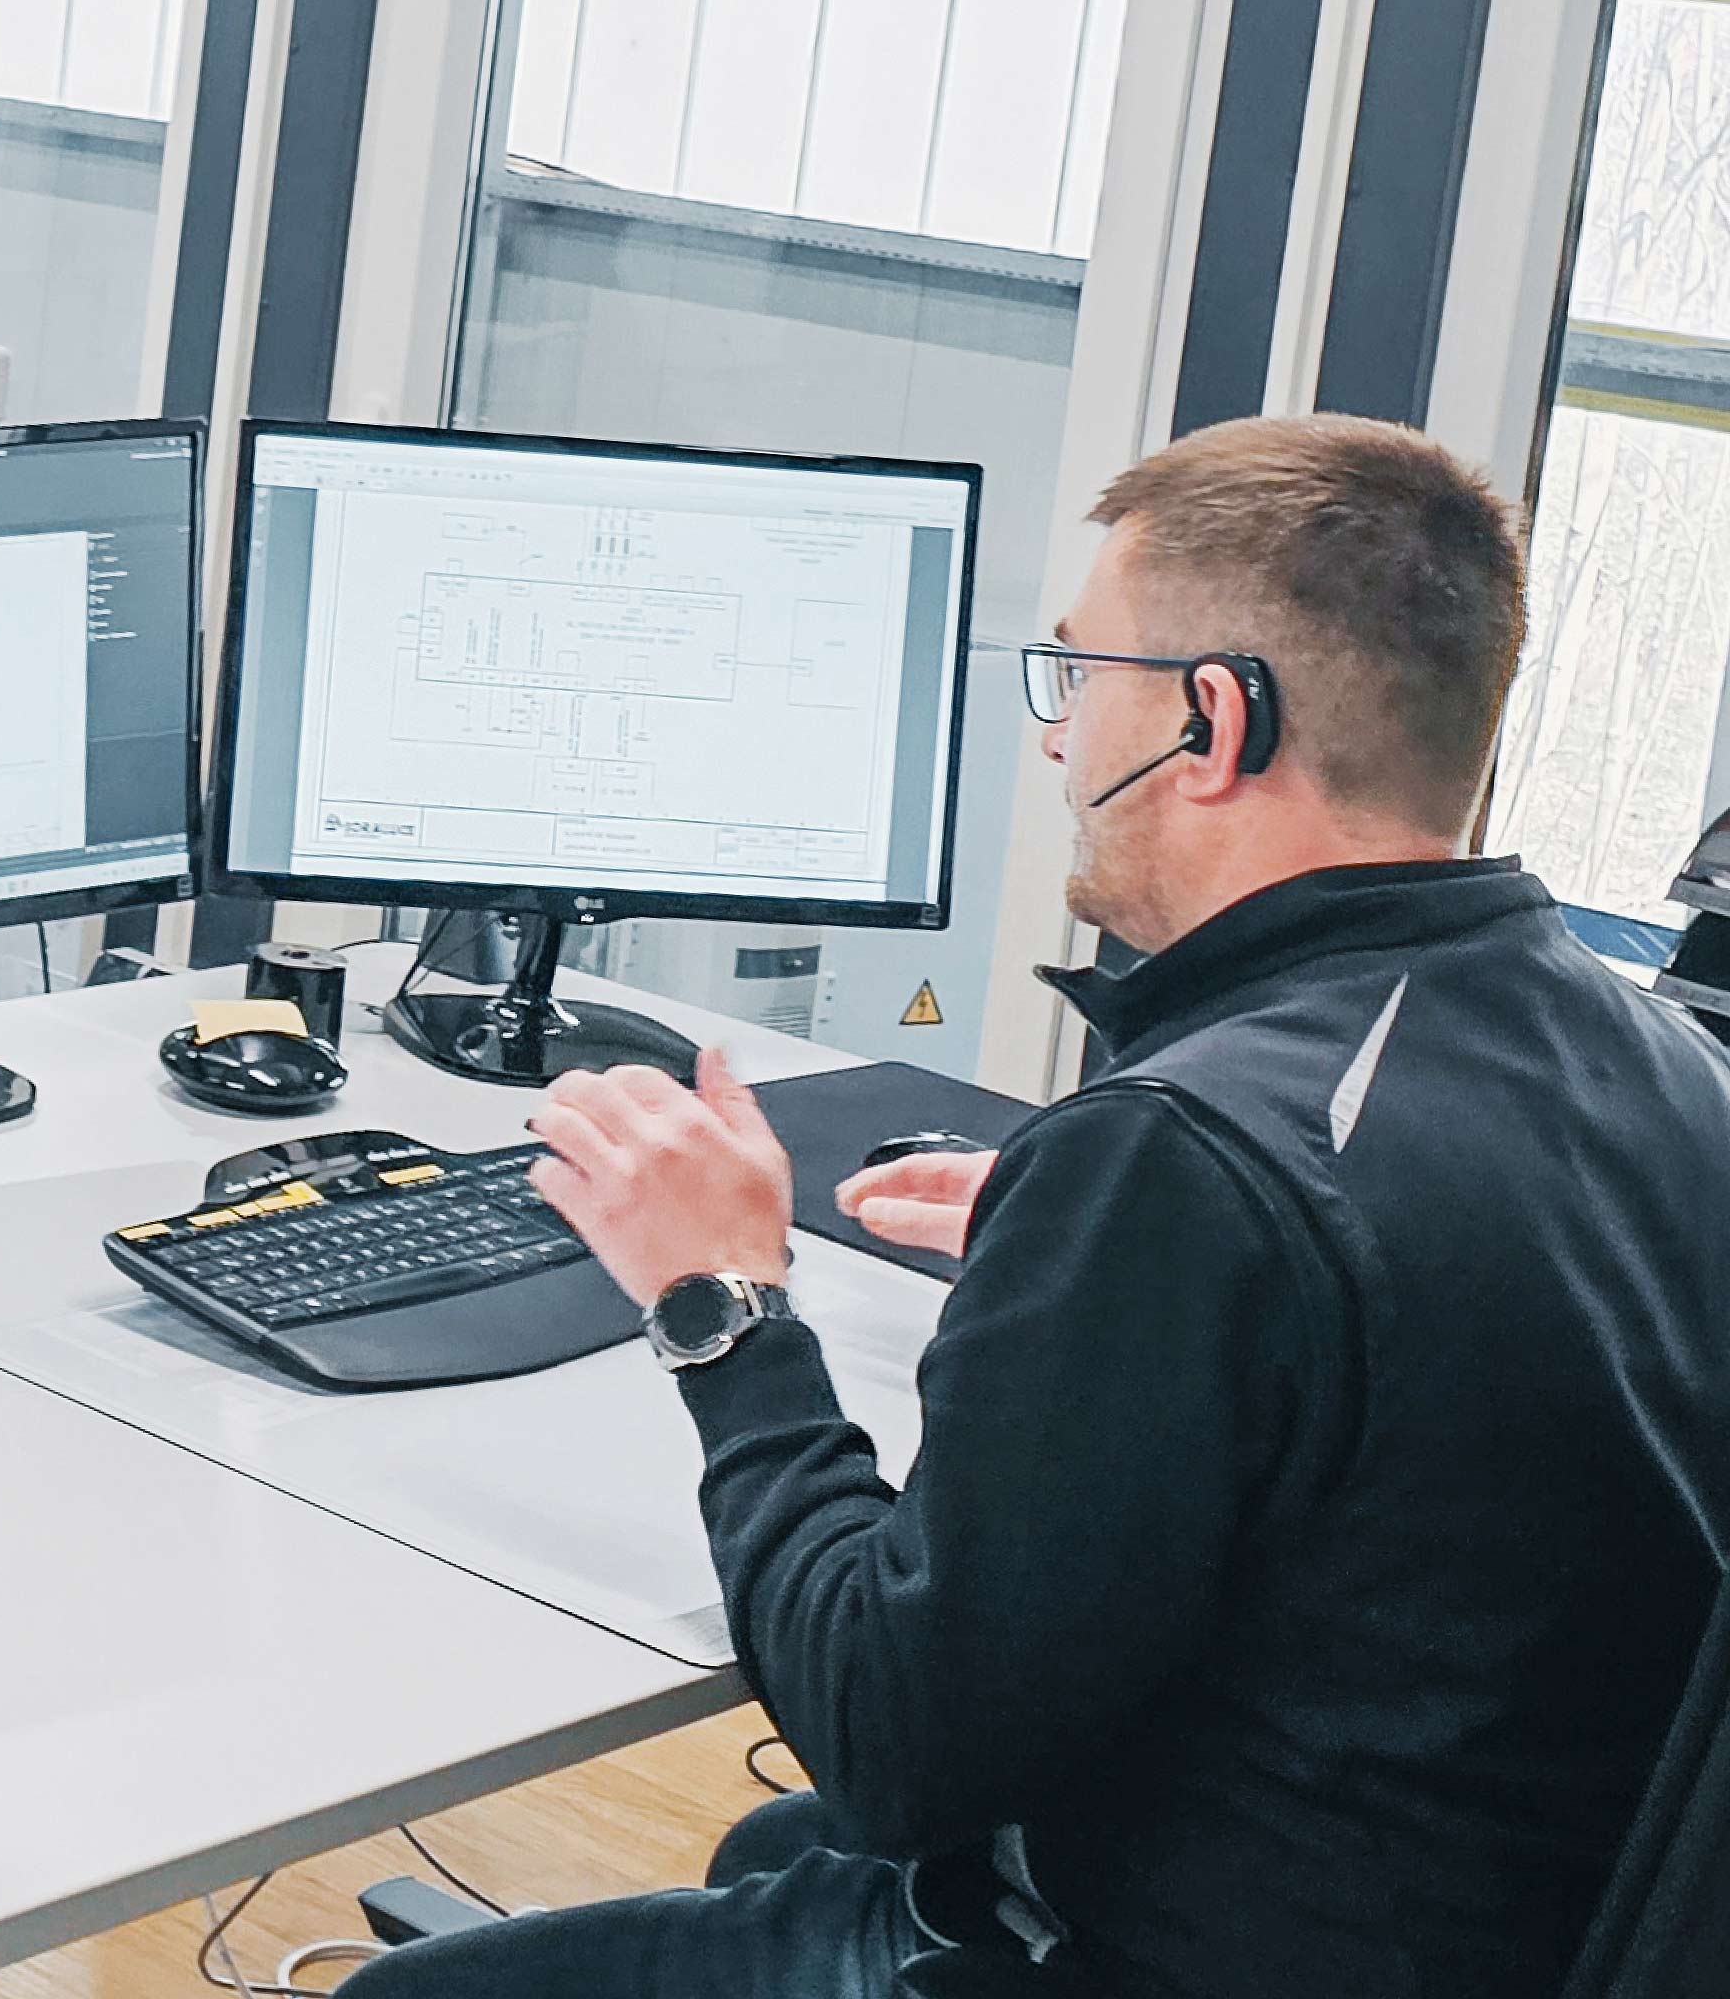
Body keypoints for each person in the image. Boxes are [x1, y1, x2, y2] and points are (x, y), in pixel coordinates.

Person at [339, 415, 1730, 1999]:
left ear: (1212, 718)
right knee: (772, 1854)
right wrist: (1122, 1264)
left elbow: (886, 1741)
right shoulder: (1663, 1064)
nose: (1060, 743)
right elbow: (1435, 1326)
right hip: (1474, 1913)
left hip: (1155, 1953)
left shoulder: (1191, 1157)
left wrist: (722, 1301)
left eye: (1078, 676)